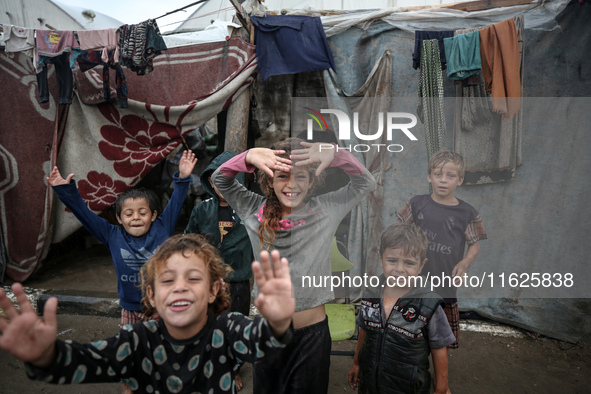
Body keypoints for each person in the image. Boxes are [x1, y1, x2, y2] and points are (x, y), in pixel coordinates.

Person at [0, 233, 295, 393]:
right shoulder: (136, 340)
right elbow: (85, 362)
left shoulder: (227, 330)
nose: (180, 287)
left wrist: (278, 321)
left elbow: (263, 340)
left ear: (214, 290)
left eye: (193, 278)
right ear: (151, 296)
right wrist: (46, 355)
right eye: (167, 280)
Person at [211, 137, 377, 393]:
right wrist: (248, 157)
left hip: (312, 335)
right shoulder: (252, 208)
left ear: (312, 181)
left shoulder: (327, 209)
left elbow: (366, 182)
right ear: (269, 180)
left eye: (301, 177)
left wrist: (337, 154)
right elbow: (220, 179)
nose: (291, 185)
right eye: (282, 176)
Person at [46, 150, 197, 325]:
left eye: (142, 213)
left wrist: (184, 176)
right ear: (119, 218)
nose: (136, 218)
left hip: (161, 307)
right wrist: (65, 191)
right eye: (129, 214)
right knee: (131, 348)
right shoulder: (112, 234)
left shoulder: (162, 227)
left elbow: (177, 201)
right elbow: (84, 215)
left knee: (161, 349)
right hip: (129, 310)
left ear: (153, 215)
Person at [348, 223, 455, 394]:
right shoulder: (372, 292)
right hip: (371, 383)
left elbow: (439, 347)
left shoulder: (428, 303)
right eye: (392, 260)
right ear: (381, 258)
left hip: (408, 387)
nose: (399, 269)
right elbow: (364, 330)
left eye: (409, 263)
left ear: (421, 266)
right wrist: (357, 363)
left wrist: (441, 387)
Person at [397, 148, 487, 349]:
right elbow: (400, 233)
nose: (443, 180)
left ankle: (441, 377)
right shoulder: (417, 203)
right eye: (438, 174)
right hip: (415, 280)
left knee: (441, 340)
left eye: (450, 175)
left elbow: (475, 245)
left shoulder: (467, 213)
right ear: (430, 176)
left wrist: (464, 264)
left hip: (444, 282)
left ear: (460, 180)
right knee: (408, 329)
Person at [184, 150, 254, 390]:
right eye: (217, 178)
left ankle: (231, 370)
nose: (223, 184)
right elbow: (189, 242)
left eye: (232, 178)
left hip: (238, 282)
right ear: (209, 181)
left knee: (236, 328)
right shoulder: (202, 210)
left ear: (241, 181)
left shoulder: (251, 210)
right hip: (208, 282)